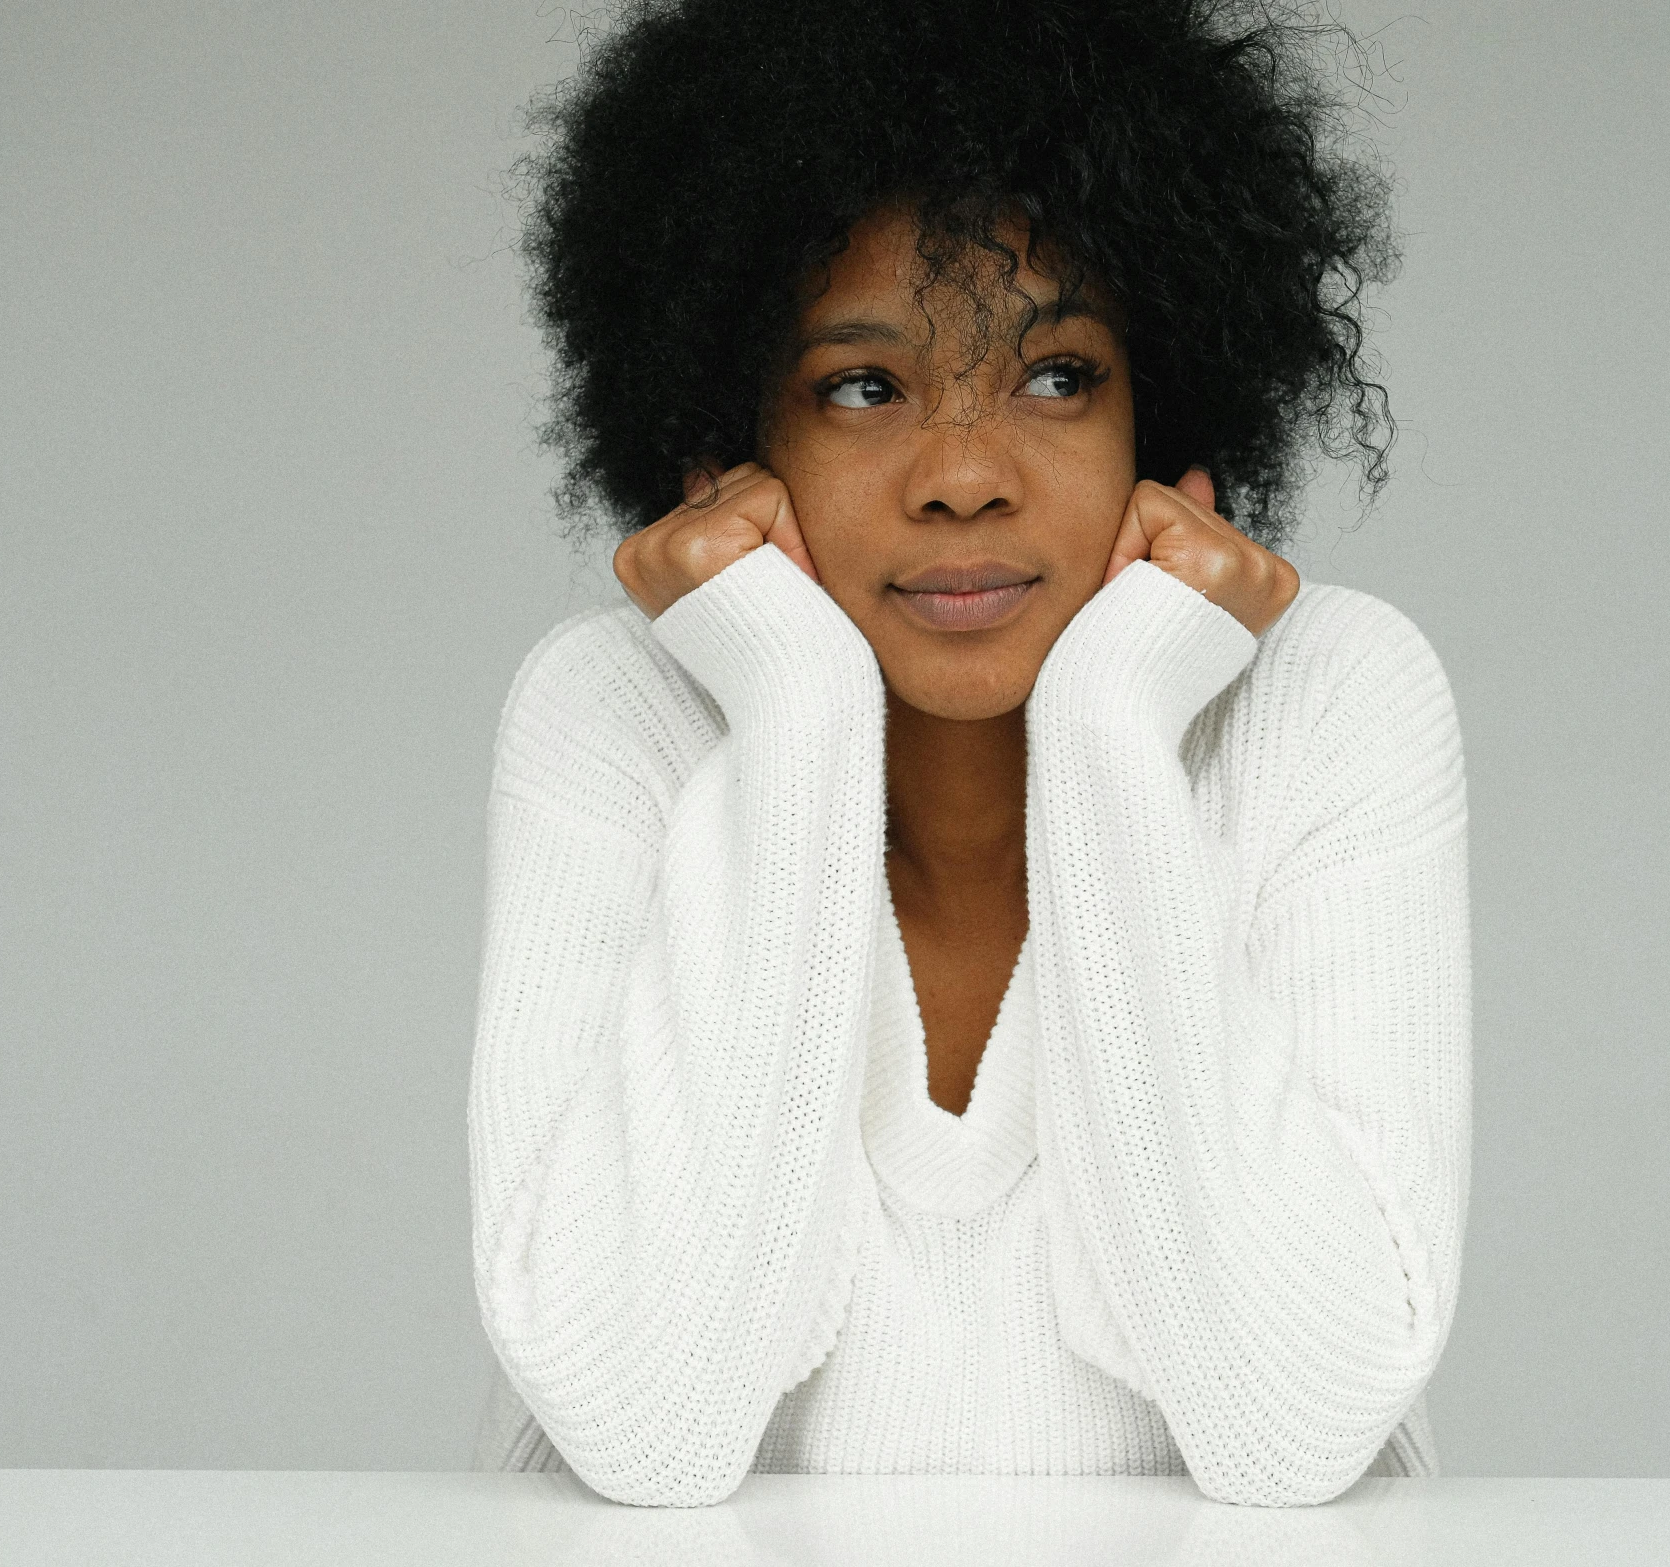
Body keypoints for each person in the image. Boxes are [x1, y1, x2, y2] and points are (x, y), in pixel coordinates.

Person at [467, 0, 1470, 1508]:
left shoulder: (1329, 699)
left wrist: (1111, 725)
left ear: (1164, 409)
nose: (961, 478)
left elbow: (1293, 1432)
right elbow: (645, 1430)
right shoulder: (614, 714)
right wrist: (794, 706)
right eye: (859, 387)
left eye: (1056, 374)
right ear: (724, 447)